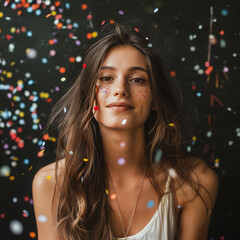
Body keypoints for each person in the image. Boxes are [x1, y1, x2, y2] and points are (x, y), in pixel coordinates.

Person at [32, 22, 219, 240]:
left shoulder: (194, 182)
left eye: (137, 79)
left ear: (155, 99)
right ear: (88, 96)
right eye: (106, 78)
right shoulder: (52, 184)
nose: (120, 89)